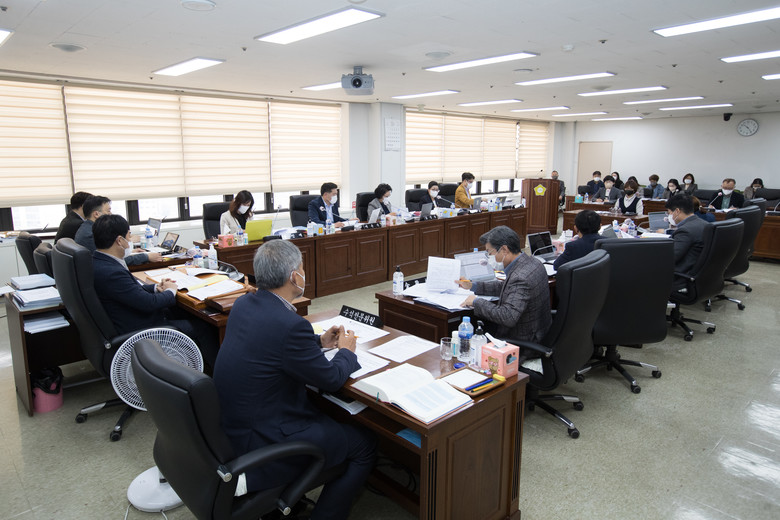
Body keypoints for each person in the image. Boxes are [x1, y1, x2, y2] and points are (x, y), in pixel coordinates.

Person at [213, 240, 375, 519]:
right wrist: (346, 351)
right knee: (364, 443)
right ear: (293, 277)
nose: (304, 274)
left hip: (234, 429)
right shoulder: (290, 325)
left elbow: (271, 342)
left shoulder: (244, 303)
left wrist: (319, 341)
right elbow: (332, 379)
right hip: (265, 441)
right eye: (302, 269)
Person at [91, 214, 219, 365]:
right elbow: (148, 303)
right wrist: (170, 291)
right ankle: (216, 373)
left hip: (135, 316)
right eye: (129, 236)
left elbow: (131, 291)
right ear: (119, 240)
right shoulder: (111, 272)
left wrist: (156, 288)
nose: (130, 241)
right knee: (204, 326)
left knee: (185, 312)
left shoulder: (99, 261)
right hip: (143, 329)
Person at [458, 226, 551, 344]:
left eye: (490, 253)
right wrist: (472, 286)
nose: (489, 258)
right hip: (538, 331)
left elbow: (508, 316)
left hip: (522, 341)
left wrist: (476, 302)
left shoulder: (520, 277)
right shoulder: (533, 262)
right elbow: (507, 287)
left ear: (504, 250)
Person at [74, 195, 159, 266]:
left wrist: (130, 252)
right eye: (108, 211)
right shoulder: (91, 234)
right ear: (96, 214)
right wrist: (146, 257)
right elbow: (113, 261)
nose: (111, 214)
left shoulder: (86, 227)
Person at [666, 193, 710, 290]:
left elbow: (670, 258)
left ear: (677, 211)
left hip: (680, 278)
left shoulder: (685, 230)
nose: (669, 216)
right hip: (700, 276)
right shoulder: (705, 224)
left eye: (669, 213)